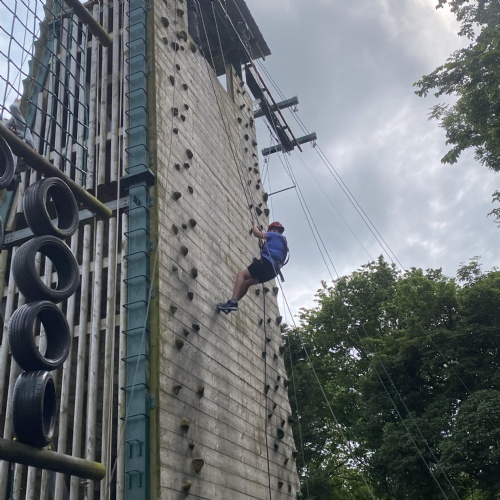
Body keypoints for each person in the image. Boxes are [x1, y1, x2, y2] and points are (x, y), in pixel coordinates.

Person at [218, 220, 288, 313]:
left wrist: (254, 224)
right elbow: (272, 251)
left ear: (274, 230)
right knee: (247, 283)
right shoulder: (284, 243)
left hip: (266, 263)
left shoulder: (274, 235)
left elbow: (256, 233)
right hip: (273, 272)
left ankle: (233, 302)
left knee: (241, 275)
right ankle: (232, 304)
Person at [7, 98, 34, 173]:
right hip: (23, 163)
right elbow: (13, 108)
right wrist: (17, 103)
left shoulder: (22, 131)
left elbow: (13, 108)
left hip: (19, 163)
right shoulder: (22, 130)